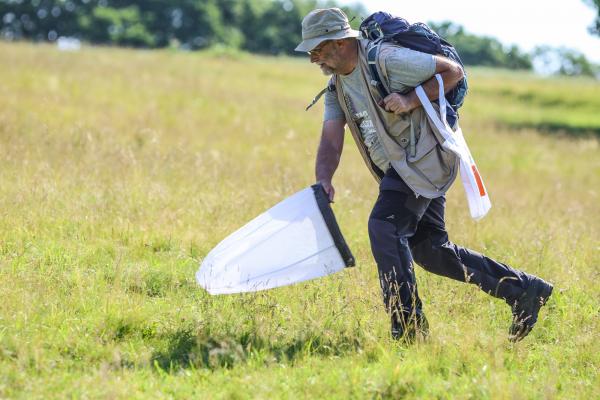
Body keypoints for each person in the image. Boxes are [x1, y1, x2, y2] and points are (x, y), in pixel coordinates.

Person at [295, 8, 553, 342]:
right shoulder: (337, 87)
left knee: (384, 226)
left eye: (318, 48)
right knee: (429, 248)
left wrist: (409, 98)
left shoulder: (385, 59)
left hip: (423, 159)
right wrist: (324, 178)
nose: (313, 57)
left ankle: (409, 330)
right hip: (405, 166)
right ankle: (523, 290)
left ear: (342, 42)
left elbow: (452, 72)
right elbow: (332, 137)